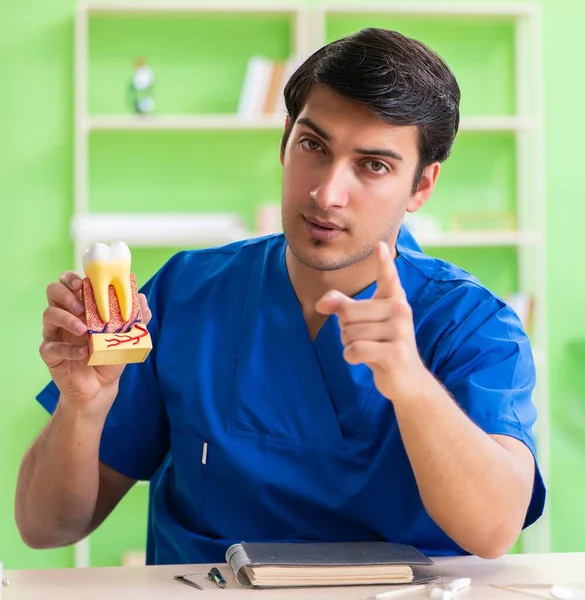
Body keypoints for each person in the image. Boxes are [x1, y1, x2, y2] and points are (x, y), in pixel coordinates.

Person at [16, 27, 545, 565]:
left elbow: (493, 532)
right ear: (286, 138)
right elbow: (45, 527)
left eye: (374, 165)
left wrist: (411, 384)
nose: (326, 193)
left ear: (422, 186)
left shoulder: (471, 327)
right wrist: (82, 409)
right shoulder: (188, 293)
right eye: (314, 146)